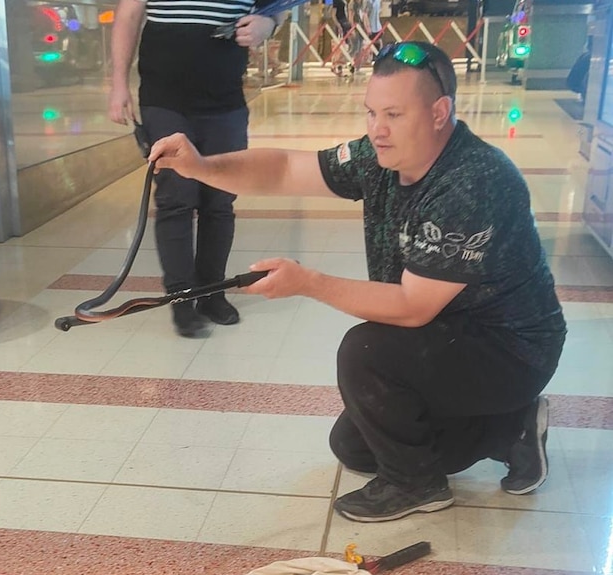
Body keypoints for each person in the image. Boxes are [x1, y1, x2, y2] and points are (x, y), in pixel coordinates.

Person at [148, 41, 567, 522]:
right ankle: (510, 428)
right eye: (371, 113)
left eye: (393, 114)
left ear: (439, 112)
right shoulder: (380, 156)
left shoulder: (473, 182)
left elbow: (412, 307)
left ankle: (418, 485)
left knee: (367, 352)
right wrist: (201, 167)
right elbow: (286, 169)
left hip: (511, 351)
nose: (377, 130)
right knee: (354, 446)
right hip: (449, 338)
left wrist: (308, 282)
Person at [108, 0, 279, 337]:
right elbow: (127, 15)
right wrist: (118, 84)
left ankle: (211, 292)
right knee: (176, 197)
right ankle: (182, 295)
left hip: (225, 98)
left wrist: (267, 26)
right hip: (164, 97)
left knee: (220, 200)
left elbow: (276, 9)